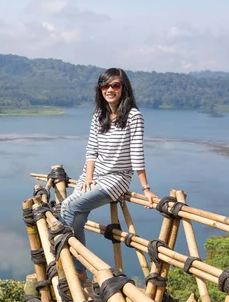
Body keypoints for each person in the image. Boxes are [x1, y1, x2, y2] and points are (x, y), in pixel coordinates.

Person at [59, 67, 158, 280]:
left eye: (115, 85)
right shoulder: (99, 115)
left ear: (124, 88)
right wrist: (88, 177)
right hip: (93, 175)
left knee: (69, 206)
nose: (109, 89)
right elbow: (91, 149)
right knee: (77, 218)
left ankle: (70, 265)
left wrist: (146, 188)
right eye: (105, 85)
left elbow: (137, 153)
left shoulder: (134, 116)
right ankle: (80, 270)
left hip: (116, 178)